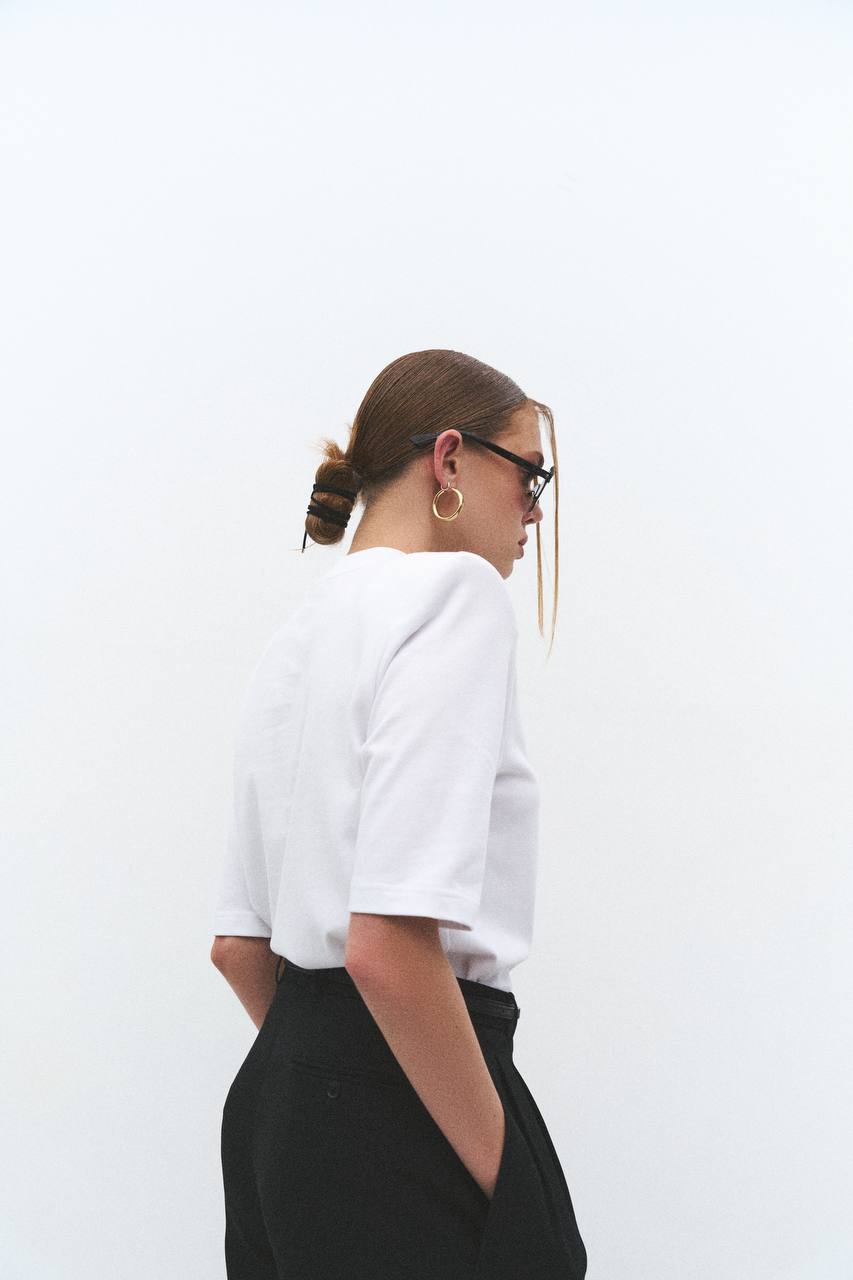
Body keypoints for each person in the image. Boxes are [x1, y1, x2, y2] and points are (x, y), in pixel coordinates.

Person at [210, 349, 588, 1279]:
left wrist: (323, 1080)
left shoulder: (298, 635)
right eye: (530, 474)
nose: (535, 510)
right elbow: (384, 946)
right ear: (449, 459)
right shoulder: (453, 598)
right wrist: (510, 1183)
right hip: (403, 1101)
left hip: (273, 1115)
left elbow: (237, 947)